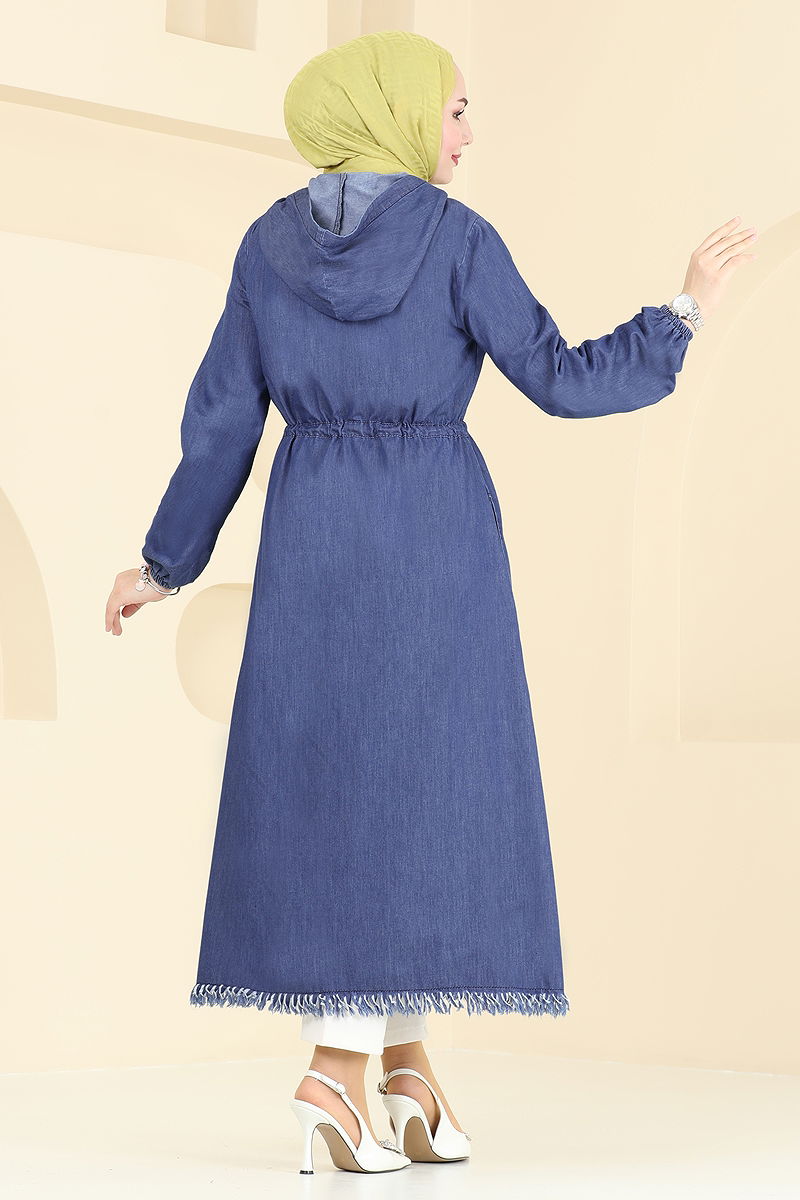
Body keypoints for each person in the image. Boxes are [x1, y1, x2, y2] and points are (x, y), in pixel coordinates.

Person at [105, 30, 757, 1176]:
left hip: (314, 537)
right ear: (398, 113)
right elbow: (559, 378)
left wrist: (164, 563)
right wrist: (685, 310)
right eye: (454, 110)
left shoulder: (266, 245)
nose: (467, 132)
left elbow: (222, 422)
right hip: (431, 540)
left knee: (340, 794)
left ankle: (404, 1070)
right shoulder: (455, 239)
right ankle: (335, 1071)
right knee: (426, 790)